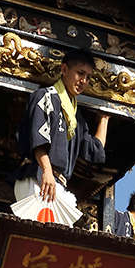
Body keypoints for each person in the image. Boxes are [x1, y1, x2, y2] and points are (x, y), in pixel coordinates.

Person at [14, 48, 109, 205]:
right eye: (80, 73)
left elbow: (95, 150)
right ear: (64, 69)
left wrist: (104, 118)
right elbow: (37, 140)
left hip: (56, 183)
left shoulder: (76, 118)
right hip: (40, 177)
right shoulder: (45, 96)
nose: (84, 81)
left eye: (88, 77)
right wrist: (47, 170)